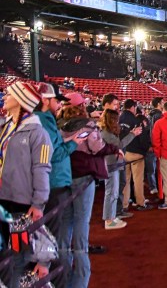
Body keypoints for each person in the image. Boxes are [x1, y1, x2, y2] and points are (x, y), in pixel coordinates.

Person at [59, 92, 120, 288]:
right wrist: (114, 149)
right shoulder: (86, 124)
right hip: (84, 176)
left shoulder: (58, 124)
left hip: (64, 175)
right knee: (81, 219)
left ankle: (63, 261)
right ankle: (80, 259)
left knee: (66, 220)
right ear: (81, 106)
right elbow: (97, 147)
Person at [0, 82, 52, 285]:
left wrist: (38, 203)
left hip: (21, 202)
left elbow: (42, 168)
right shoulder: (6, 128)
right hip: (3, 198)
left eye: (9, 94)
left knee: (17, 256)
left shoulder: (38, 133)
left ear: (21, 101)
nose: (5, 96)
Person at [36, 82, 85, 288]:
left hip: (51, 183)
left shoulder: (42, 119)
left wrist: (68, 140)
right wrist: (74, 143)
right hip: (54, 184)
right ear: (46, 100)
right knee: (55, 238)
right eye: (56, 101)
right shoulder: (44, 119)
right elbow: (54, 154)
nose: (59, 105)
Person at [99, 109, 140, 229]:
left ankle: (113, 215)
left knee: (115, 190)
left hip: (115, 163)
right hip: (111, 164)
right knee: (111, 192)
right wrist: (133, 134)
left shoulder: (108, 131)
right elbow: (119, 145)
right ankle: (109, 220)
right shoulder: (106, 133)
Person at [118, 99, 152, 212]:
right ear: (133, 107)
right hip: (136, 153)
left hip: (123, 153)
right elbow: (142, 138)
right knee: (138, 179)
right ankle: (140, 203)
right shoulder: (136, 120)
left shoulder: (119, 118)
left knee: (125, 180)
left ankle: (124, 205)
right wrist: (146, 150)